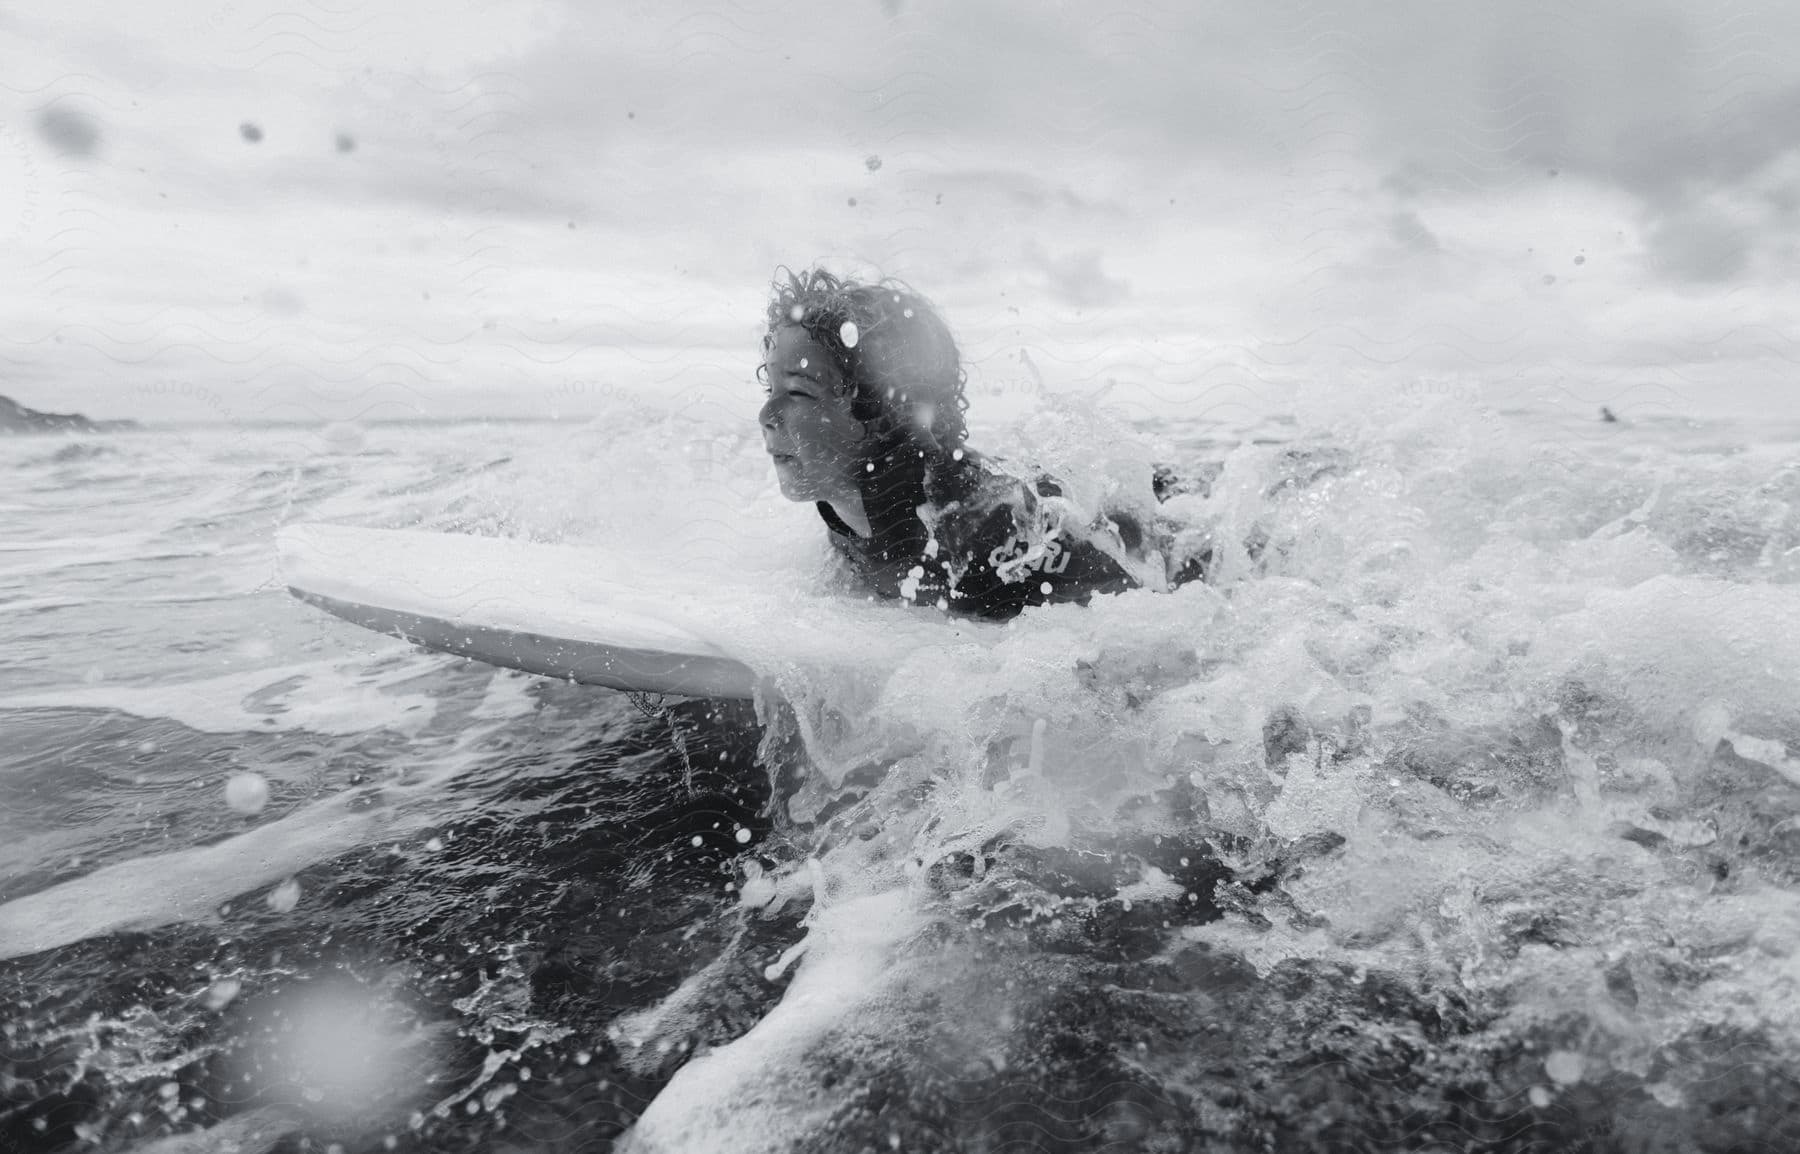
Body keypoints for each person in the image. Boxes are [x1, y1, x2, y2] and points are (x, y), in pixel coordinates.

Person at [756, 267, 1207, 621]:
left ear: (880, 415)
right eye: (769, 389)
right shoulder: (854, 505)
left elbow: (1143, 610)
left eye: (798, 393)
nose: (767, 416)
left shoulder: (981, 536)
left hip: (1171, 530)